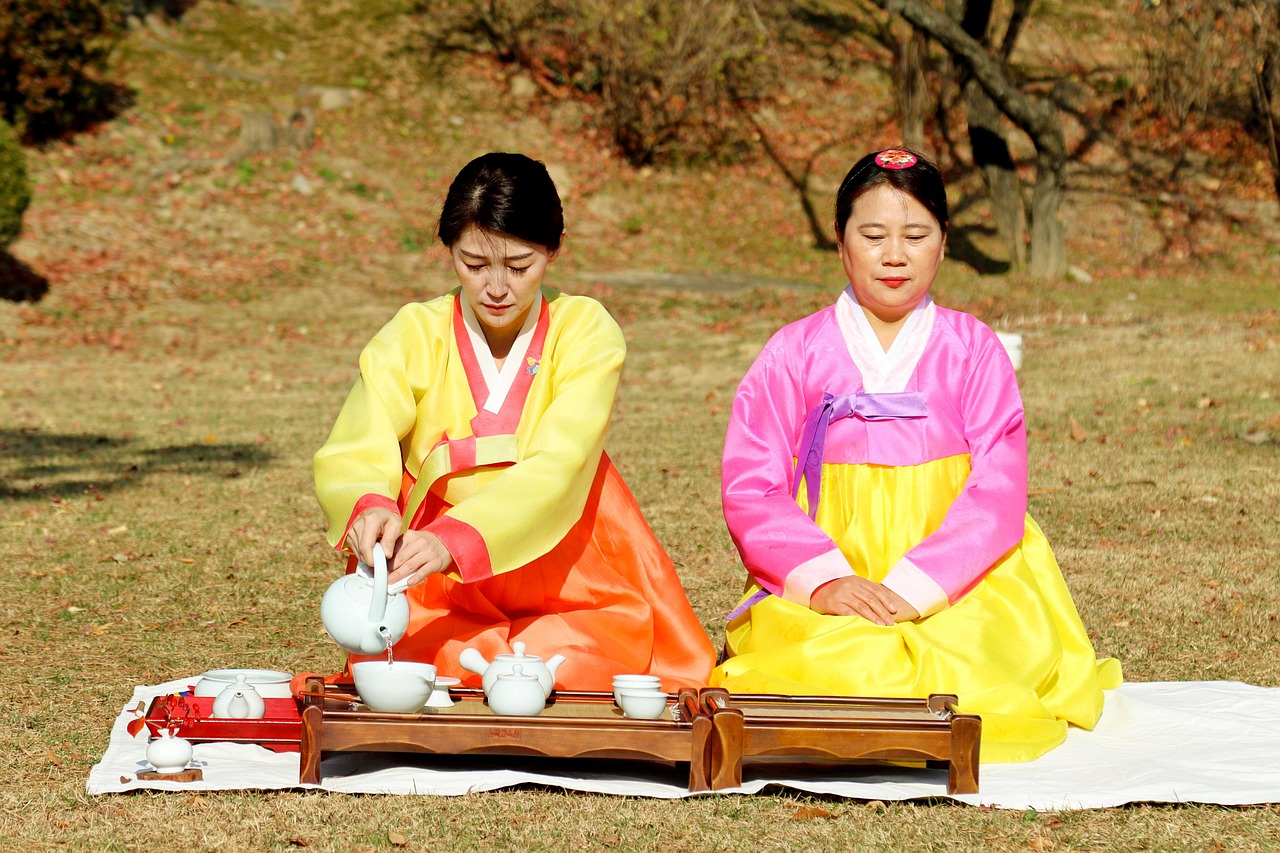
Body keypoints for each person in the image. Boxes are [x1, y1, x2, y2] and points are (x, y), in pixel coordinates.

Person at [710, 147, 1121, 762]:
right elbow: (752, 485)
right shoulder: (794, 352)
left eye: (916, 234)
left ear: (945, 241)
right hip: (834, 564)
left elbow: (997, 488)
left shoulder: (973, 348)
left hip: (963, 574)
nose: (894, 255)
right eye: (872, 234)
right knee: (829, 662)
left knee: (976, 661)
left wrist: (916, 587)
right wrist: (826, 584)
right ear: (840, 242)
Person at [313, 152, 715, 691]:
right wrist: (371, 505)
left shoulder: (585, 331)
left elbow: (560, 463)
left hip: (566, 560)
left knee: (567, 665)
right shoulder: (413, 332)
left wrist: (456, 540)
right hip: (435, 575)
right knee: (431, 668)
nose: (496, 288)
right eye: (474, 264)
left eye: (520, 266)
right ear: (448, 249)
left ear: (554, 249)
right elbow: (360, 442)